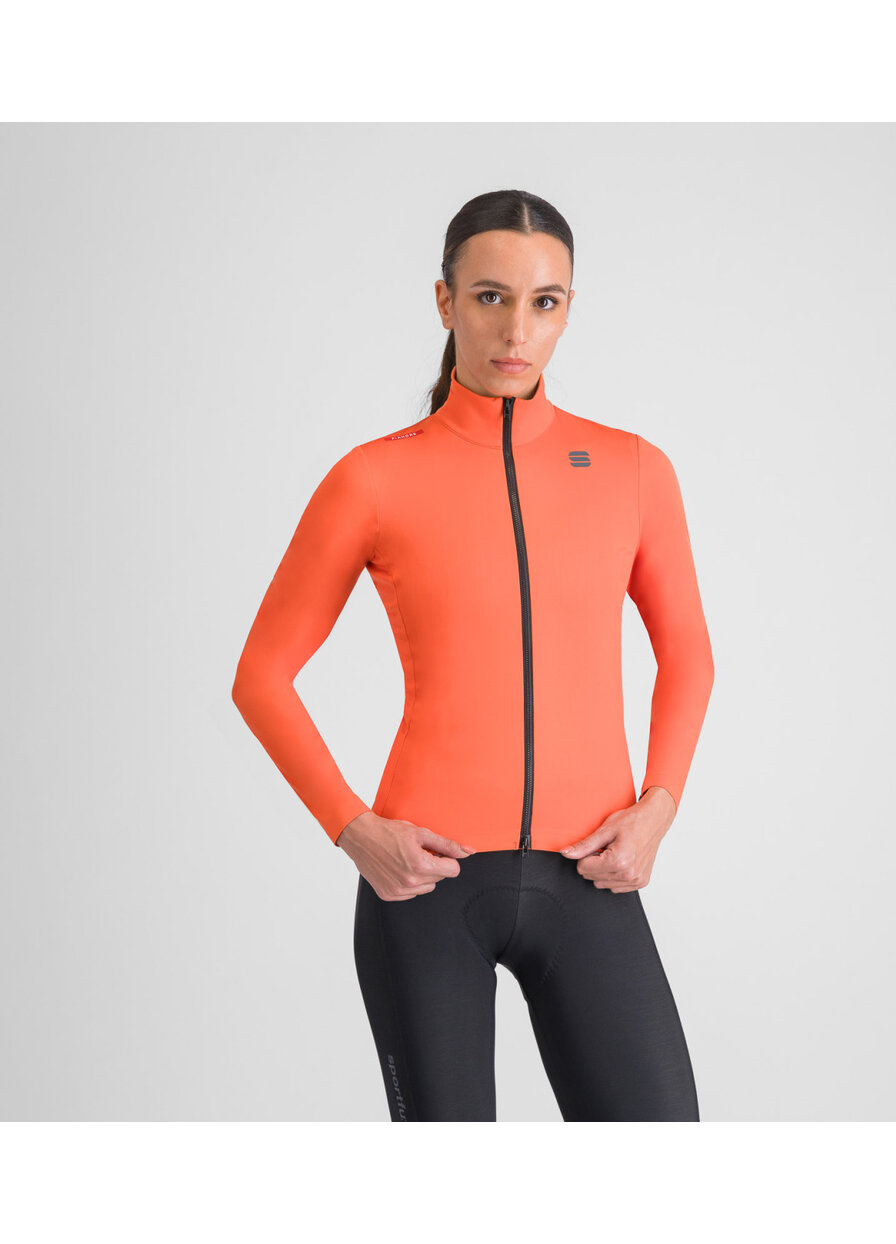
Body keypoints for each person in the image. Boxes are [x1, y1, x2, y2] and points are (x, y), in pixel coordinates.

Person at [232, 188, 715, 1121]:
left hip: (589, 875)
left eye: (545, 302)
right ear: (445, 300)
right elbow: (261, 677)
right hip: (426, 887)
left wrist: (657, 807)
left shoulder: (633, 470)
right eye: (491, 297)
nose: (516, 330)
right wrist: (353, 828)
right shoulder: (375, 476)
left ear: (568, 310)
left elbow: (688, 653)